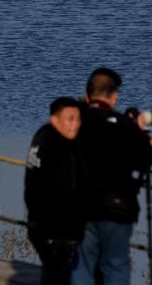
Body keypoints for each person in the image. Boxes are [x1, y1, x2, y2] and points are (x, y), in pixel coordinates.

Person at [71, 68, 152, 285]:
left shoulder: (73, 124)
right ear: (114, 95)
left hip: (81, 207)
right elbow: (145, 161)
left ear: (88, 94)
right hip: (118, 207)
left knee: (81, 266)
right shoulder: (124, 125)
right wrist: (147, 144)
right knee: (115, 265)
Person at [24, 97, 88, 285]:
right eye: (70, 119)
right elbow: (67, 189)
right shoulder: (60, 147)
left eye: (78, 119)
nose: (75, 124)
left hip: (38, 222)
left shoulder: (42, 135)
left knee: (52, 272)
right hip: (57, 226)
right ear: (55, 119)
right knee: (59, 275)